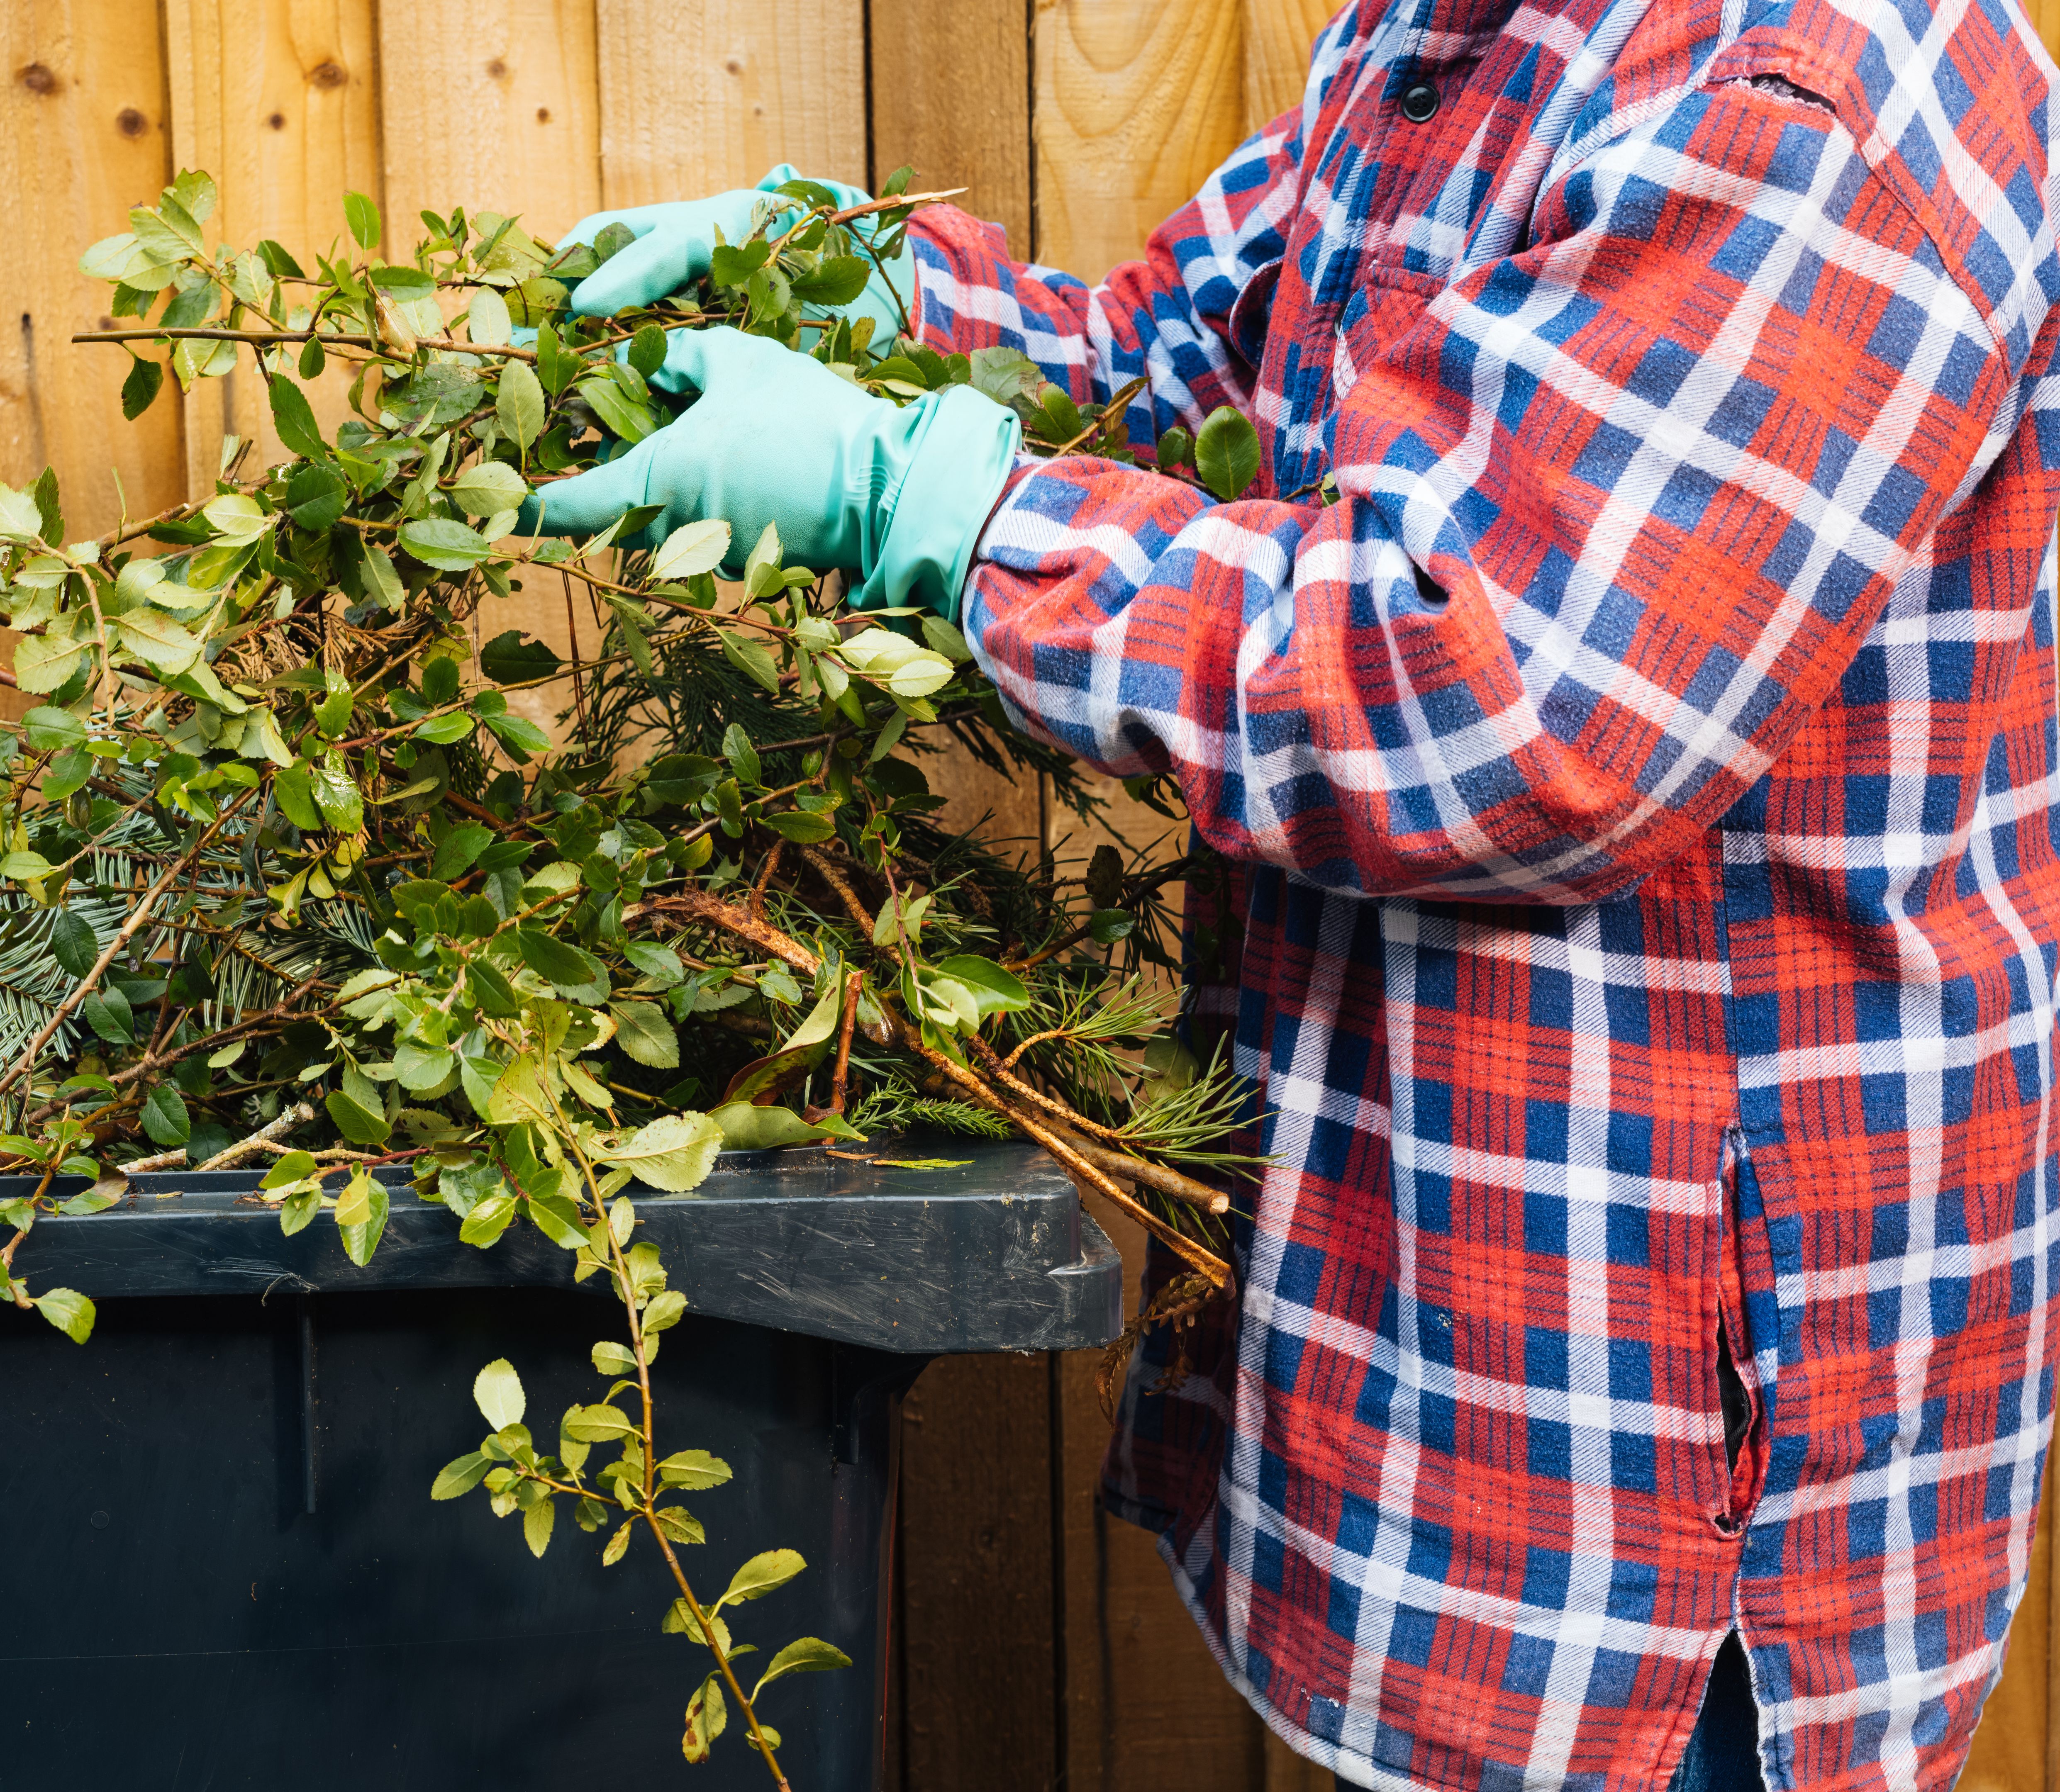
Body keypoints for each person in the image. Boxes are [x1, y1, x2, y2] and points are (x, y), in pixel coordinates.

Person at [520, 0, 2060, 1787]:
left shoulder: (1815, 93)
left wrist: (924, 500)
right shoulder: (1451, 32)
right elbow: (1171, 355)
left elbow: (1492, 700)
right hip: (1412, 1324)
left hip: (1646, 1444)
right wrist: (861, 293)